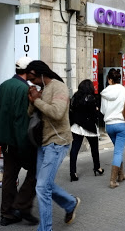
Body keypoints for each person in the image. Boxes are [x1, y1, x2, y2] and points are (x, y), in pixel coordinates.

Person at [26, 60, 80, 230]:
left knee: (42, 187)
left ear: (40, 74)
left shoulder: (58, 87)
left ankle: (45, 228)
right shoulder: (43, 90)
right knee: (42, 183)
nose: (32, 82)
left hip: (58, 142)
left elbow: (57, 113)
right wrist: (32, 99)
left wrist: (37, 101)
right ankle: (70, 203)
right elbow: (30, 113)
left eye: (33, 79)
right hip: (44, 142)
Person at [0, 57, 39, 227]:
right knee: (36, 170)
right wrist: (26, 144)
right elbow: (21, 120)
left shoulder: (4, 85)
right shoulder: (24, 89)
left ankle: (7, 213)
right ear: (29, 71)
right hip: (18, 141)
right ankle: (21, 205)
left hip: (4, 140)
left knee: (9, 177)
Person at [69, 79, 104, 182]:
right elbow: (94, 115)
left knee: (74, 149)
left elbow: (71, 111)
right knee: (94, 149)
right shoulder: (91, 99)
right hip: (89, 127)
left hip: (76, 126)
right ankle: (97, 168)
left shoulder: (75, 97)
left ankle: (73, 173)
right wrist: (97, 111)